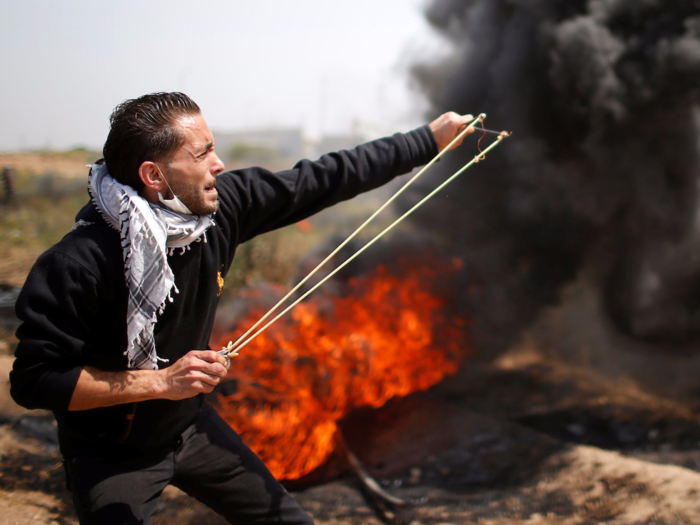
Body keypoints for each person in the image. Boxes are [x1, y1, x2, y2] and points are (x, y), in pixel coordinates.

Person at [9, 92, 474, 525]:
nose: (219, 164)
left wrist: (428, 140)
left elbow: (329, 175)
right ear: (154, 176)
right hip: (109, 452)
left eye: (214, 149)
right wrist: (162, 382)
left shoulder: (219, 209)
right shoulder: (77, 263)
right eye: (201, 154)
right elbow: (36, 380)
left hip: (190, 426)